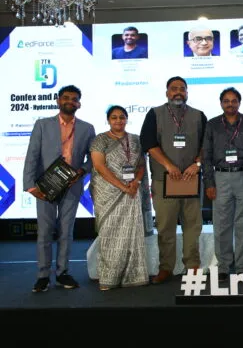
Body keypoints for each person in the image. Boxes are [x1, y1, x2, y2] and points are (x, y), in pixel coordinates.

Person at [23, 85, 96, 292]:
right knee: (45, 232)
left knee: (66, 231)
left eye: (74, 99)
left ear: (79, 104)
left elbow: (93, 159)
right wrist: (30, 186)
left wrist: (82, 171)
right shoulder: (42, 124)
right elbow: (32, 155)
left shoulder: (87, 128)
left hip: (72, 186)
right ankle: (43, 275)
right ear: (58, 100)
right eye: (66, 97)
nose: (69, 101)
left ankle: (63, 272)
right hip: (45, 186)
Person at [140, 76, 207, 284]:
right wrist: (168, 165)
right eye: (173, 88)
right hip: (164, 181)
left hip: (191, 180)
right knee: (165, 226)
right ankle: (166, 268)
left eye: (182, 88)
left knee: (193, 226)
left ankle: (192, 266)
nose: (178, 92)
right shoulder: (155, 114)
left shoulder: (198, 115)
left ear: (187, 92)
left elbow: (207, 145)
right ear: (167, 92)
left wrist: (197, 164)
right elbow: (148, 143)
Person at [90, 105, 149, 291]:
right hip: (108, 193)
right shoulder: (100, 140)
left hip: (132, 192)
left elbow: (141, 165)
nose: (118, 120)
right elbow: (99, 167)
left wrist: (136, 183)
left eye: (122, 117)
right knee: (109, 234)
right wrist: (122, 187)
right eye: (114, 117)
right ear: (108, 120)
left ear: (126, 119)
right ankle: (109, 278)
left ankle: (133, 275)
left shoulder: (136, 140)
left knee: (132, 233)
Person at [202, 87, 243, 282]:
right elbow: (206, 156)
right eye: (226, 101)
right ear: (221, 103)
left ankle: (242, 266)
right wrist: (209, 182)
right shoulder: (212, 125)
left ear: (239, 103)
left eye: (234, 101)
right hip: (221, 177)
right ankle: (224, 266)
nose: (230, 104)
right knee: (221, 224)